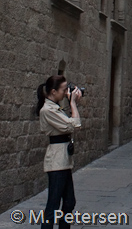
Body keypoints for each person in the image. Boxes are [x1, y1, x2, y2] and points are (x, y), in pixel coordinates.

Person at [36, 75, 82, 229]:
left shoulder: (56, 107)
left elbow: (70, 122)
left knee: (69, 202)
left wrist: (72, 104)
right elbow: (74, 125)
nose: (66, 92)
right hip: (56, 161)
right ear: (54, 91)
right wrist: (73, 103)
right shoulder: (47, 110)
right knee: (53, 205)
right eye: (64, 90)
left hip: (63, 160)